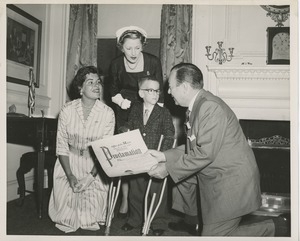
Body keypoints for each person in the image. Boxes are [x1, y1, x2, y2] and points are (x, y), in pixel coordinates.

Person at [147, 63, 279, 236]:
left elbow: (204, 153)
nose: (169, 92)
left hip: (231, 181)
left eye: (171, 87)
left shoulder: (209, 107)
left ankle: (276, 227)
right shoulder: (197, 106)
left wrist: (166, 169)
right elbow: (193, 146)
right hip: (218, 171)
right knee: (182, 179)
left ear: (185, 87)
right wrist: (163, 156)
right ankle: (193, 220)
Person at [48, 66, 115, 233]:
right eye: (90, 82)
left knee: (90, 220)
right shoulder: (67, 110)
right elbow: (62, 146)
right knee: (66, 218)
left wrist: (90, 177)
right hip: (68, 163)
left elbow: (104, 152)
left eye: (98, 82)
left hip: (95, 166)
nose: (96, 86)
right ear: (80, 88)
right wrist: (70, 175)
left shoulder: (107, 113)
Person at [108, 26, 164, 217]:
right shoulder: (115, 64)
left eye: (137, 48)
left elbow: (159, 90)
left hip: (147, 107)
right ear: (121, 47)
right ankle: (125, 199)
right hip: (124, 109)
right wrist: (122, 102)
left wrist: (154, 111)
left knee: (147, 152)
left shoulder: (153, 62)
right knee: (126, 155)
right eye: (128, 48)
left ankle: (147, 200)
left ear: (143, 46)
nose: (133, 53)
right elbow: (112, 90)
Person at [120, 76, 175, 236]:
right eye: (151, 90)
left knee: (156, 191)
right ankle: (135, 219)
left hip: (154, 157)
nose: (155, 94)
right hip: (138, 156)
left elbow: (169, 135)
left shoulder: (163, 112)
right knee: (135, 190)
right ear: (141, 93)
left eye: (157, 91)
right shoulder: (136, 109)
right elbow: (130, 125)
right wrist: (124, 129)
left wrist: (163, 156)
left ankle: (158, 221)